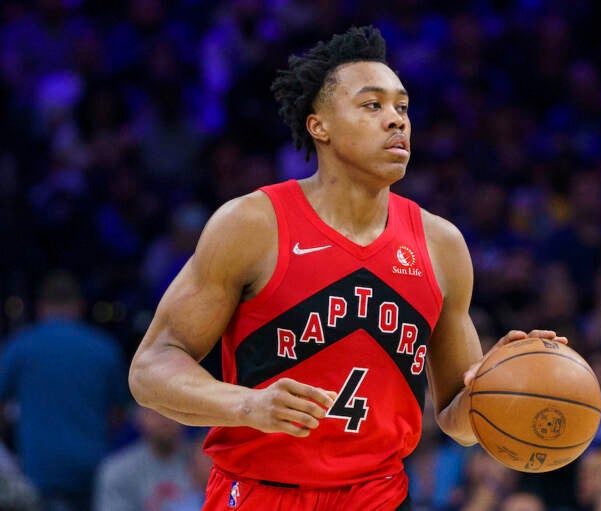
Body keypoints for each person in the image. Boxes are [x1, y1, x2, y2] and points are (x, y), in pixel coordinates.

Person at [128, 25, 565, 511]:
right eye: (372, 105)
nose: (396, 121)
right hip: (259, 492)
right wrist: (246, 405)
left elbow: (456, 424)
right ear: (320, 126)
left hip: (378, 495)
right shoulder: (253, 224)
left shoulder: (442, 245)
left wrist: (494, 383)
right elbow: (151, 369)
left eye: (402, 107)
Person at [0, 270, 130, 511]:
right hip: (92, 470)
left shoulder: (21, 345)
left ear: (40, 307)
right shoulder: (104, 348)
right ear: (79, 306)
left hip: (37, 471)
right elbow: (119, 414)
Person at [93, 407, 197, 511]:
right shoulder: (117, 471)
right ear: (140, 417)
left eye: (172, 411)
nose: (165, 419)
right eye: (157, 413)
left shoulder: (203, 463)